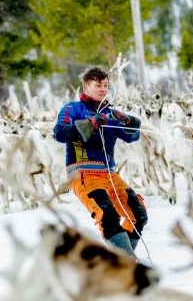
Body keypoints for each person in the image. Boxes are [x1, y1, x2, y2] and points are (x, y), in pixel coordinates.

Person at [53, 66, 147, 257]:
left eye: (105, 85)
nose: (103, 89)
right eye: (98, 85)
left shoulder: (110, 112)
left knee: (139, 214)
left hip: (110, 174)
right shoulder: (73, 108)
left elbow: (131, 137)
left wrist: (128, 121)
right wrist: (92, 122)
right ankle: (127, 262)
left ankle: (119, 259)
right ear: (86, 87)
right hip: (83, 173)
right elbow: (60, 133)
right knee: (107, 215)